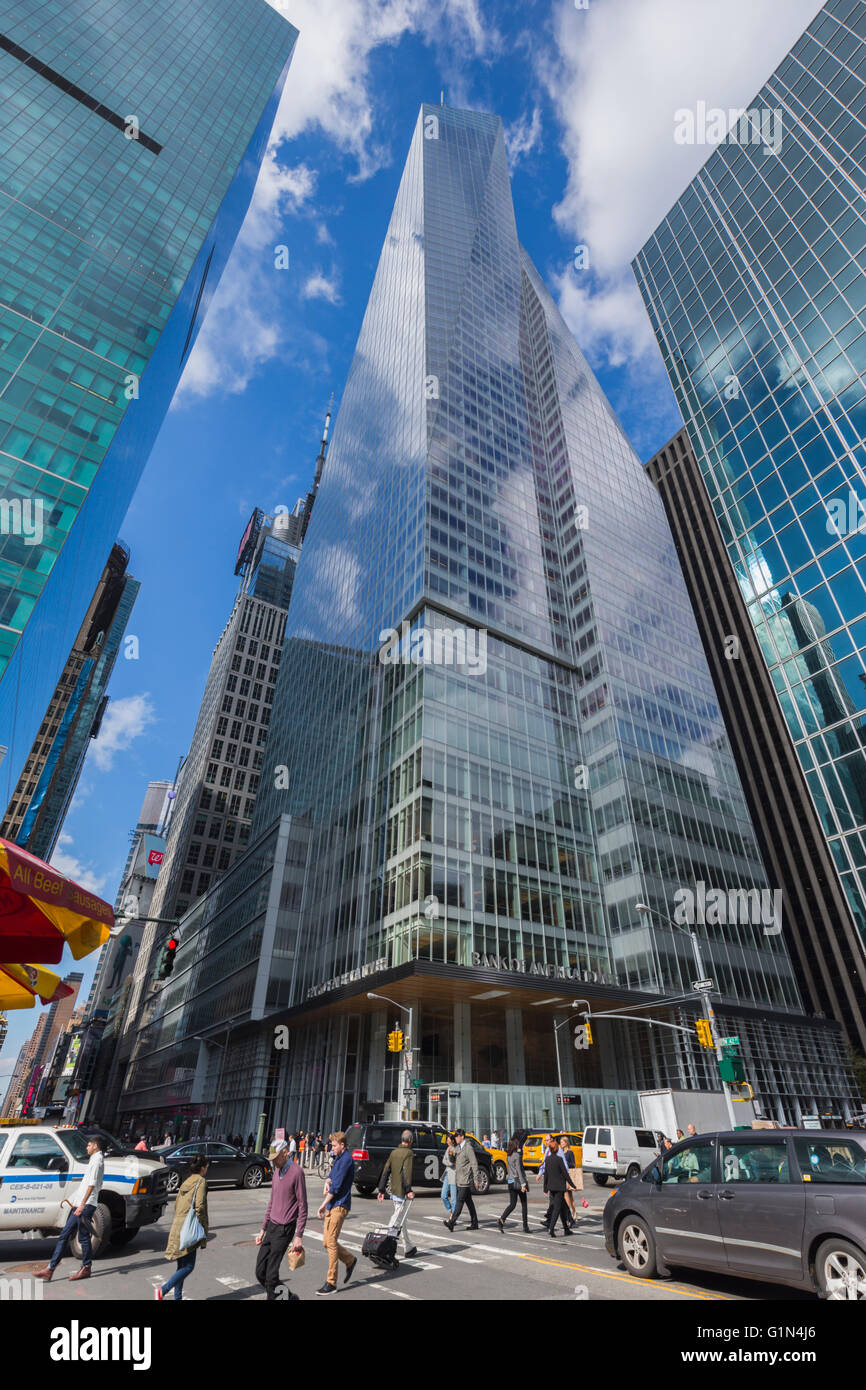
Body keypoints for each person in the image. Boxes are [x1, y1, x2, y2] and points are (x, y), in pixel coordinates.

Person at [35, 1136, 105, 1283]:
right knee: (65, 1234)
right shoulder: (94, 1160)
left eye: (89, 1145)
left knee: (83, 1236)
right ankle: (50, 1269)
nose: (87, 1147)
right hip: (81, 1204)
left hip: (86, 1205)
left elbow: (91, 1185)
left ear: (95, 1146)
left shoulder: (97, 1161)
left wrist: (82, 1205)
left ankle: (86, 1267)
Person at [156, 1153, 212, 1300]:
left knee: (181, 1266)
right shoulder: (201, 1181)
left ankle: (178, 1297)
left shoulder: (186, 1182)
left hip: (178, 1224)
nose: (206, 1170)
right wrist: (201, 1227)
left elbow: (177, 1205)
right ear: (203, 1168)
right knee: (188, 1266)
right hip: (190, 1227)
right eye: (206, 1167)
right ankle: (163, 1290)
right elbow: (199, 1206)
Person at [255, 1138, 306, 1300]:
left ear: (285, 1153)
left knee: (270, 1276)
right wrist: (263, 1229)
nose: (274, 1162)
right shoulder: (277, 1171)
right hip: (271, 1225)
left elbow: (303, 1205)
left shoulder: (297, 1172)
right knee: (260, 1272)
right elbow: (272, 1201)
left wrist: (298, 1235)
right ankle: (289, 1297)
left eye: (276, 1158)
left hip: (285, 1229)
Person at [316, 1131, 358, 1295]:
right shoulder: (338, 1158)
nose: (331, 1148)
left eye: (334, 1145)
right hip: (332, 1204)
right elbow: (332, 1178)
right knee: (326, 1242)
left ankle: (331, 1282)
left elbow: (337, 1187)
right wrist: (326, 1181)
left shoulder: (346, 1159)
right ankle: (350, 1260)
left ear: (342, 1145)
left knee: (331, 1241)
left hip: (339, 1205)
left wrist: (322, 1204)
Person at [377, 1129, 418, 1258]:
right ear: (410, 1140)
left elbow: (386, 1170)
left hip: (394, 1191)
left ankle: (408, 1247)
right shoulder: (408, 1153)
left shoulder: (394, 1152)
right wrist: (408, 1190)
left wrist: (381, 1189)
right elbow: (406, 1173)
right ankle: (383, 1245)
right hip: (401, 1192)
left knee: (401, 1219)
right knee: (396, 1220)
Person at [444, 1128, 479, 1232]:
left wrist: (476, 1179)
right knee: (469, 1202)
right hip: (459, 1179)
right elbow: (453, 1161)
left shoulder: (468, 1148)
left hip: (465, 1179)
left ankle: (451, 1222)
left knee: (459, 1201)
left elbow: (474, 1163)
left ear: (462, 1137)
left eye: (456, 1136)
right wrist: (451, 1155)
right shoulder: (458, 1148)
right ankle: (475, 1222)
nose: (455, 1138)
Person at [544, 1137, 576, 1238]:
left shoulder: (548, 1159)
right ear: (557, 1149)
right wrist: (573, 1185)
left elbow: (546, 1174)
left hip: (551, 1187)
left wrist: (545, 1187)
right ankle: (551, 1228)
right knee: (557, 1209)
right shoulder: (559, 1159)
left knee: (563, 1208)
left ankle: (566, 1229)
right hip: (559, 1187)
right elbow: (565, 1174)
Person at [498, 1138, 529, 1233]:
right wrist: (523, 1184)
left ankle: (502, 1219)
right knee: (524, 1204)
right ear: (515, 1145)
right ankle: (525, 1226)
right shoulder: (517, 1155)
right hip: (518, 1181)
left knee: (512, 1204)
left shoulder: (509, 1155)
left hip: (510, 1182)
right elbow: (519, 1170)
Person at [441, 1134, 458, 1219]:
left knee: (454, 1198)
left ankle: (453, 1217)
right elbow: (443, 1160)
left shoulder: (455, 1149)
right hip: (448, 1173)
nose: (447, 1142)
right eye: (447, 1141)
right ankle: (450, 1210)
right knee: (443, 1195)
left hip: (454, 1174)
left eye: (449, 1141)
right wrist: (448, 1162)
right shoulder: (448, 1149)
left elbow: (451, 1163)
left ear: (452, 1141)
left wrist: (447, 1162)